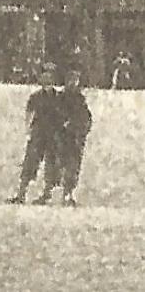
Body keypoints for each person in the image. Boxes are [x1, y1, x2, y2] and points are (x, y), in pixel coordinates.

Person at [7, 63, 61, 205]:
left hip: (53, 135)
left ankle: (46, 194)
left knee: (51, 165)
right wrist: (29, 130)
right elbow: (29, 114)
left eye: (50, 74)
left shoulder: (59, 97)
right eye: (44, 74)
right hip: (38, 134)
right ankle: (21, 194)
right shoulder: (36, 97)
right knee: (29, 163)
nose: (47, 77)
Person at [56, 69, 92, 207]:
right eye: (71, 79)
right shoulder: (60, 97)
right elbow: (55, 115)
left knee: (74, 166)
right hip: (63, 137)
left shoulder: (80, 99)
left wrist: (83, 130)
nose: (73, 82)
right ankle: (58, 193)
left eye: (75, 79)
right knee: (61, 165)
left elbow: (86, 117)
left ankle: (68, 193)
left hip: (76, 138)